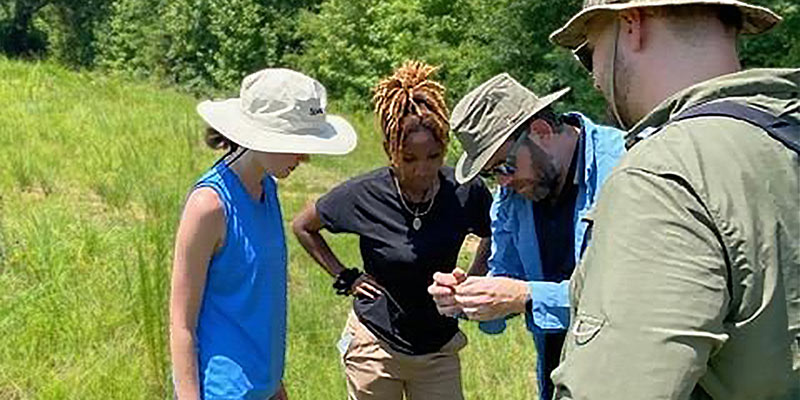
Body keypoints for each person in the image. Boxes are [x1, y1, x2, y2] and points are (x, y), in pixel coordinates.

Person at [547, 1, 800, 398]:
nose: (595, 78)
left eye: (588, 50)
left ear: (632, 24)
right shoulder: (785, 136)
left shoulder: (663, 174)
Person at [292, 60, 492, 400]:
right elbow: (303, 226)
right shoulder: (364, 194)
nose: (423, 169)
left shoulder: (463, 190)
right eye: (409, 159)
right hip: (375, 346)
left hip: (438, 349)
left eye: (433, 155)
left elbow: (493, 232)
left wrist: (474, 279)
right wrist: (347, 277)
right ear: (390, 152)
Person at [428, 72, 625, 399]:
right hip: (559, 380)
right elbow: (508, 279)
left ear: (541, 132)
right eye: (493, 173)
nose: (502, 182)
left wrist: (527, 295)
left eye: (504, 167)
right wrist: (466, 296)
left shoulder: (627, 167)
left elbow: (626, 299)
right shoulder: (515, 195)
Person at [169, 68, 357, 400]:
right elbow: (181, 324)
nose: (305, 156)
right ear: (260, 136)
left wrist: (274, 386)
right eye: (296, 144)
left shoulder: (267, 187)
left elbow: (257, 302)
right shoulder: (209, 206)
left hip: (265, 387)